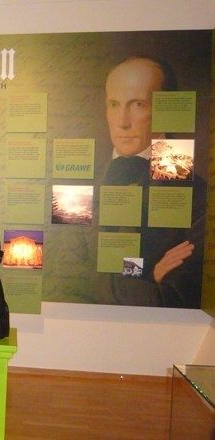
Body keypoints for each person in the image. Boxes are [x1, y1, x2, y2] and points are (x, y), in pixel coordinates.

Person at [97, 56, 203, 308]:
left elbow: (178, 291)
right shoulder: (80, 185)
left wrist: (120, 282)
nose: (123, 122)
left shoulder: (197, 194)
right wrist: (149, 276)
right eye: (114, 104)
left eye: (138, 104)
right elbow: (71, 279)